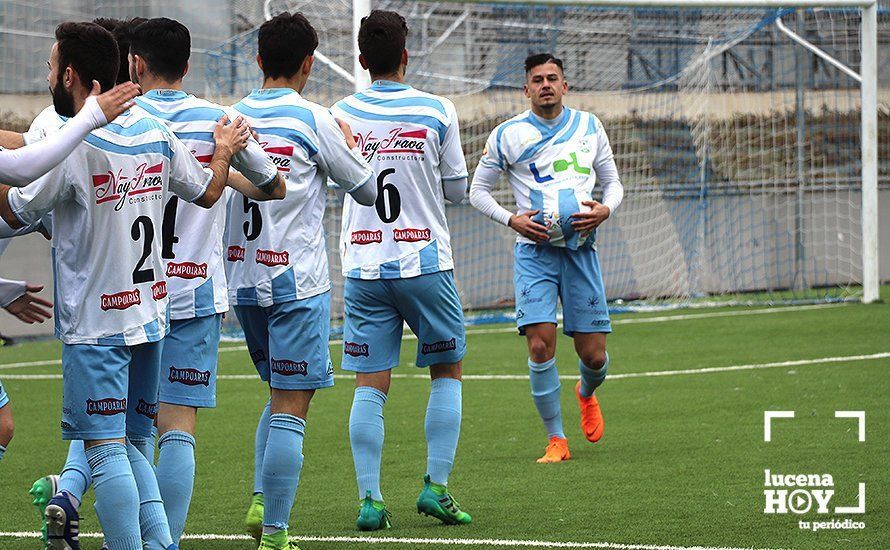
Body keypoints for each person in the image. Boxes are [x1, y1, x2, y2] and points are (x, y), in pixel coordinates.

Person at [0, 21, 250, 550]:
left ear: (69, 76)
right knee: (136, 443)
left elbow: (17, 204)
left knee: (105, 450)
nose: (46, 75)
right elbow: (207, 192)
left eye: (49, 66)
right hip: (151, 317)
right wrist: (223, 152)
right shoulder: (156, 133)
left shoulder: (72, 145)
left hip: (96, 325)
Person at [128, 17, 283, 544]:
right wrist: (228, 156)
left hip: (129, 296)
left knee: (127, 432)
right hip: (194, 296)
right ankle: (166, 540)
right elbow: (273, 184)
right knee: (178, 428)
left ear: (135, 64)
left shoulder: (118, 119)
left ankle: (128, 532)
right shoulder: (220, 120)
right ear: (188, 65)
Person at [224, 12, 375, 550]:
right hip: (297, 283)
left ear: (259, 59)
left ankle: (264, 497)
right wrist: (352, 143)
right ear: (309, 63)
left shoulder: (229, 116)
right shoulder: (316, 118)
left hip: (241, 281)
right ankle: (275, 532)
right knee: (292, 404)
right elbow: (365, 191)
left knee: (276, 392)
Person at [330, 9, 472, 530]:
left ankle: (370, 500)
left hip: (364, 266)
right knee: (447, 370)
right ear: (405, 57)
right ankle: (436, 488)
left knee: (371, 383)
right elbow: (456, 190)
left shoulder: (339, 110)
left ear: (362, 60)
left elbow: (333, 184)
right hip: (425, 261)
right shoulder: (438, 110)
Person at [469, 53, 624, 463]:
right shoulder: (507, 135)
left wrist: (606, 210)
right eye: (537, 80)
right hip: (533, 253)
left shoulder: (590, 127)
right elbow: (477, 191)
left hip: (581, 252)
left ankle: (586, 393)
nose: (545, 85)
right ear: (526, 89)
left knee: (593, 356)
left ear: (565, 85)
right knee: (540, 346)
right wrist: (512, 220)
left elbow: (613, 185)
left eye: (552, 78)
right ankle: (556, 440)